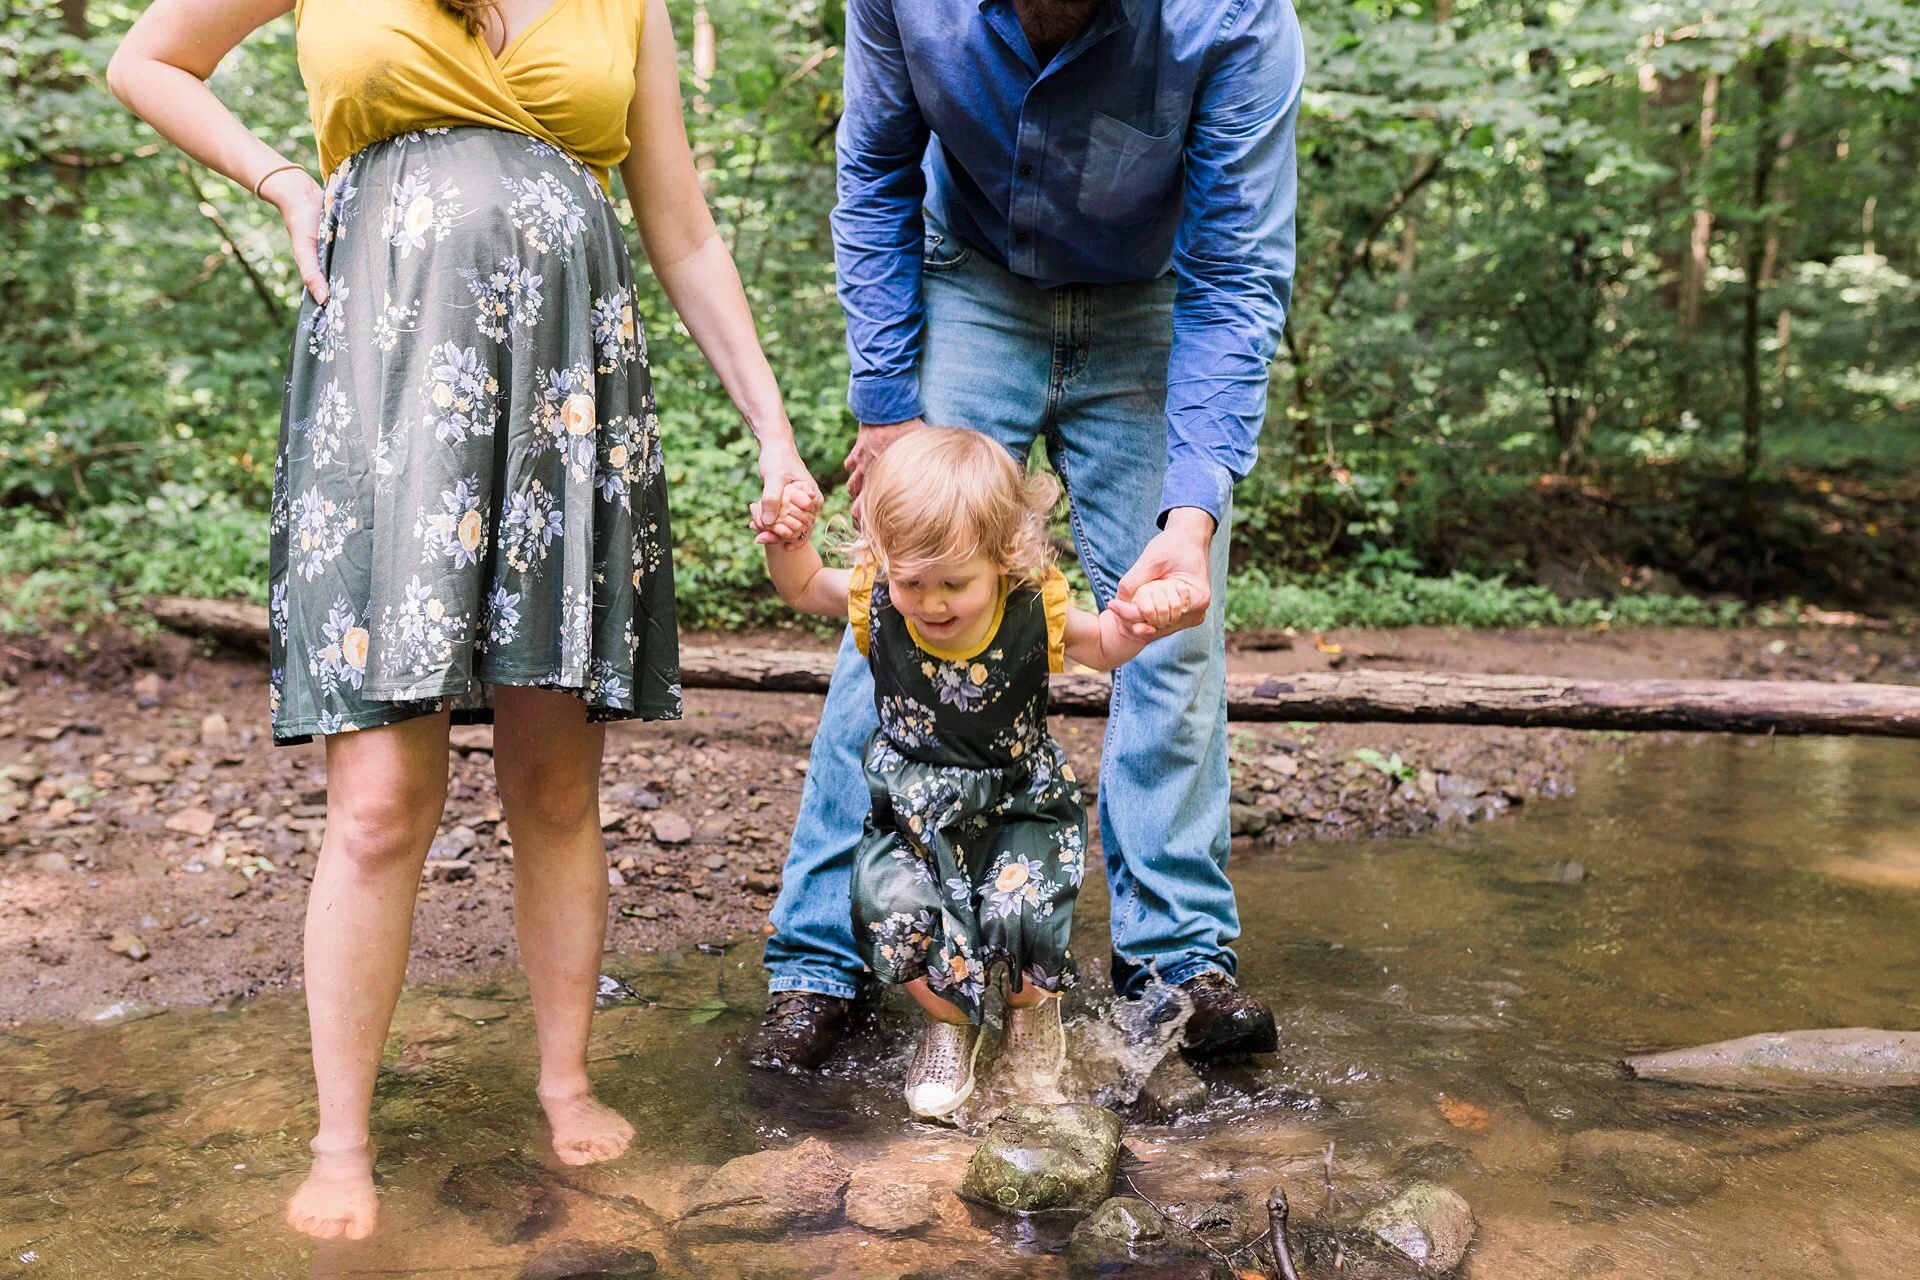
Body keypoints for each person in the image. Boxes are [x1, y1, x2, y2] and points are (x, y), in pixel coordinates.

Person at [109, 0, 819, 1241]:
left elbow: (686, 228)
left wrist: (774, 429)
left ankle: (565, 1083)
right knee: (380, 796)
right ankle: (341, 1139)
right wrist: (281, 178)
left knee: (555, 782)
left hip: (570, 398)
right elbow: (147, 59)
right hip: (391, 392)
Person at [751, 0, 1304, 1072]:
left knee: (1173, 627)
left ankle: (1176, 964)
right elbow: (874, 174)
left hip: (1157, 300)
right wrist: (886, 409)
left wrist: (1191, 516)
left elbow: (1237, 273)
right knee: (899, 598)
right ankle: (821, 960)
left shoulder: (1234, 19)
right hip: (970, 279)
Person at [762, 427, 1194, 1118]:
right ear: (884, 557)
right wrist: (787, 541)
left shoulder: (1034, 606)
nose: (931, 603)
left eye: (954, 584)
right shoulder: (877, 596)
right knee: (892, 913)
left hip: (1017, 800)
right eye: (912, 582)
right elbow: (807, 586)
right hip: (909, 807)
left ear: (1003, 557)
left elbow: (1108, 646)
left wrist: (1145, 621)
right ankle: (948, 1023)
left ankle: (1030, 1016)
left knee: (1023, 918)